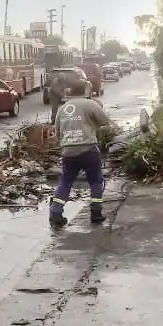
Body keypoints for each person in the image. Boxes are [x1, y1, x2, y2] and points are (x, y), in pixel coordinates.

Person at [49, 96, 111, 228]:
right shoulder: (90, 104)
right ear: (86, 90)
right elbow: (106, 121)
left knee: (66, 181)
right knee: (95, 181)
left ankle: (55, 213)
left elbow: (58, 134)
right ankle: (96, 213)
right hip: (88, 149)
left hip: (68, 151)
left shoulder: (62, 109)